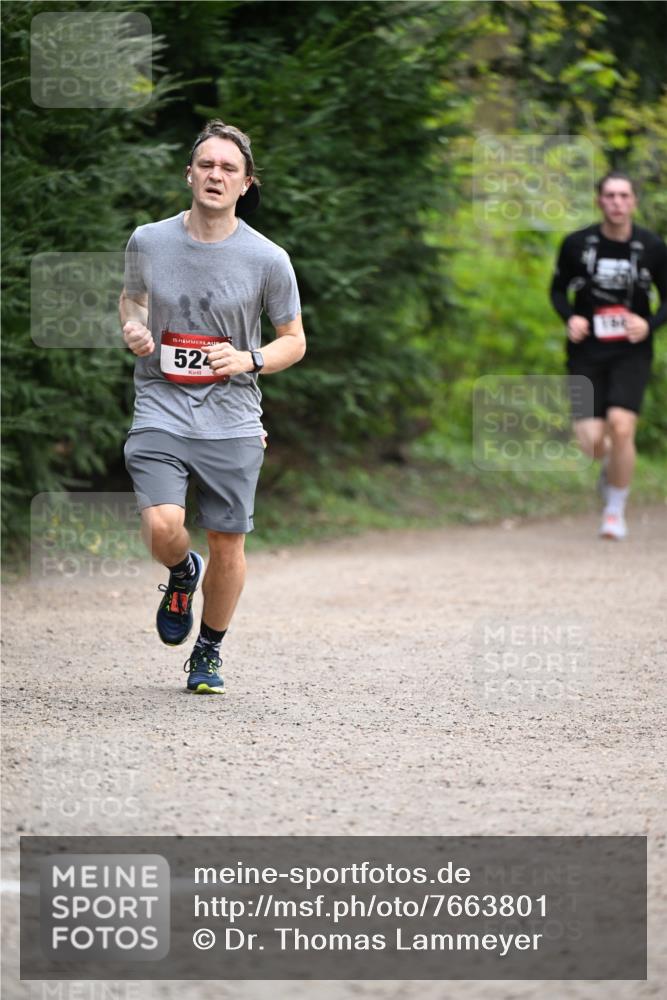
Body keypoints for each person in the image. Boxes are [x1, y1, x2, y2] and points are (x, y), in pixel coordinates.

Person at [119, 120, 305, 693]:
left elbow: (294, 341)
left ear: (247, 183)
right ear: (189, 174)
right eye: (206, 165)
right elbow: (131, 299)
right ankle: (180, 571)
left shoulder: (268, 258)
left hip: (231, 416)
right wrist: (132, 326)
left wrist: (247, 360)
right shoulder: (148, 241)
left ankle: (208, 651)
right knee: (161, 524)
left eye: (228, 168)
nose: (215, 175)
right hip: (161, 405)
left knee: (228, 542)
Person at [550, 171, 667, 539]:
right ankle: (608, 471)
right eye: (610, 196)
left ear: (634, 202)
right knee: (592, 443)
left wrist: (649, 325)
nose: (617, 203)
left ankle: (615, 511)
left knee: (622, 426)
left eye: (624, 196)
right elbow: (557, 291)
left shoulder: (652, 247)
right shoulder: (576, 244)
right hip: (586, 352)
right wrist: (571, 319)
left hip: (631, 351)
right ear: (599, 201)